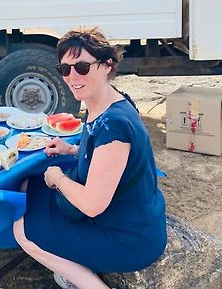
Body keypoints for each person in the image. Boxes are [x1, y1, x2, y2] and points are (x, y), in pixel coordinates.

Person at [13, 27, 167, 289]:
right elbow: (108, 157)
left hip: (128, 237)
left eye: (82, 67)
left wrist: (58, 178)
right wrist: (72, 150)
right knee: (28, 187)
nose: (72, 77)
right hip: (129, 217)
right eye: (65, 69)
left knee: (23, 230)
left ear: (107, 65)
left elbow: (92, 205)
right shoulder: (110, 101)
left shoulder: (113, 125)